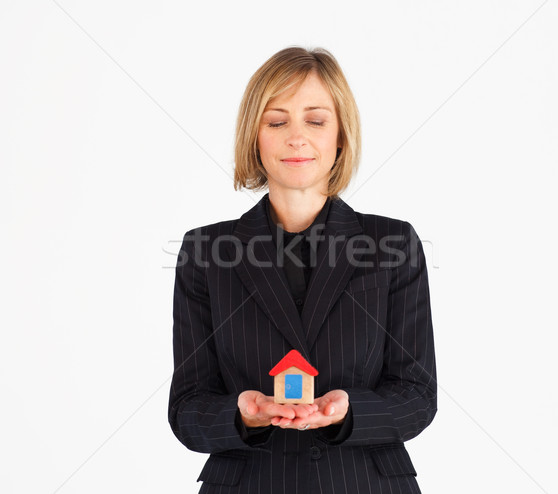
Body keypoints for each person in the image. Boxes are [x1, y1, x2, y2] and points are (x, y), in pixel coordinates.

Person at [168, 46, 437, 494]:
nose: (297, 138)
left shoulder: (392, 243)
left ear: (340, 136)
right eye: (277, 122)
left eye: (315, 120)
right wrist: (243, 414)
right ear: (254, 136)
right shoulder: (206, 250)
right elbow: (187, 409)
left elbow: (417, 397)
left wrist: (348, 411)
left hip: (363, 483)